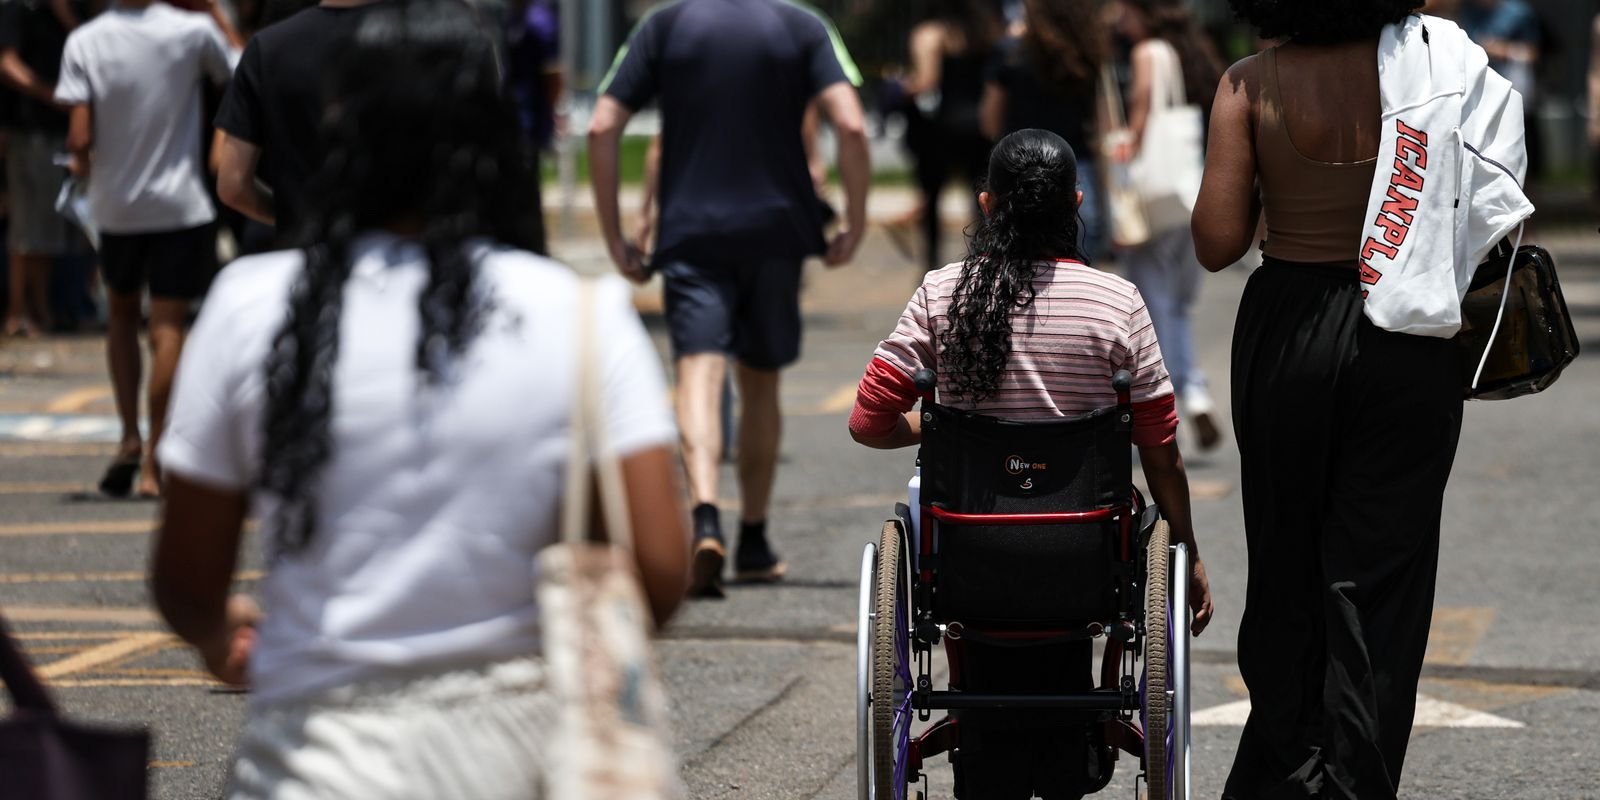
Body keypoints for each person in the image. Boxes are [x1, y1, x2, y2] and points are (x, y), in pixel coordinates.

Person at [151, 1, 688, 795]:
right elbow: (661, 571)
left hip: (314, 761)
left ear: (341, 136)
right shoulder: (582, 316)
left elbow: (186, 582)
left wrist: (219, 633)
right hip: (518, 757)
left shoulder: (249, 305)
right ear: (490, 140)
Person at [1191, 1, 1527, 796]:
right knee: (1382, 576)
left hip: (1288, 333)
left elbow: (1216, 242)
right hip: (1408, 337)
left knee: (1286, 560)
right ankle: (1355, 779)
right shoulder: (1433, 72)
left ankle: (1286, 765)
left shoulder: (1248, 85)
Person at [850, 129, 1212, 799]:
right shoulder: (1118, 303)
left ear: (987, 205)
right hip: (1085, 563)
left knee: (926, 494)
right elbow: (1160, 448)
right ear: (1076, 203)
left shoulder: (941, 295)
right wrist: (1187, 555)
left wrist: (936, 427)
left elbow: (868, 422)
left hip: (967, 559)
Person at [589, 0, 869, 597]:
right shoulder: (802, 25)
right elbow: (850, 123)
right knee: (761, 381)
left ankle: (706, 517)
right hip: (777, 230)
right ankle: (756, 540)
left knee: (699, 370)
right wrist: (856, 217)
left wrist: (615, 233)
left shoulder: (664, 26)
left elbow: (602, 125)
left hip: (691, 230)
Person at [55, 0, 241, 498]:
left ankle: (128, 437)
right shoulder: (192, 31)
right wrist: (215, 13)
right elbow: (242, 70)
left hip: (116, 207)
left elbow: (79, 136)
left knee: (120, 318)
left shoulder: (85, 41)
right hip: (180, 205)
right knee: (167, 327)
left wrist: (82, 164)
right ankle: (157, 458)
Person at [1108, 0, 1224, 452]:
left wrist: (1122, 162)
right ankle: (1194, 392)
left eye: (1125, 12)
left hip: (1152, 201)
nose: (1119, 22)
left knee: (1153, 309)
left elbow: (1140, 111)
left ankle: (1169, 403)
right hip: (1184, 195)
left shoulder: (1147, 51)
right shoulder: (1188, 52)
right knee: (1174, 306)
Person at [213, 0, 419, 247]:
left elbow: (232, 185)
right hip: (403, 250)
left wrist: (294, 218)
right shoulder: (421, 36)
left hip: (308, 252)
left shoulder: (267, 46)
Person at [980, 0, 1108, 261]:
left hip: (1017, 169)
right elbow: (1102, 124)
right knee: (1080, 259)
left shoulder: (1010, 52)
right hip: (1077, 169)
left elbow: (989, 121)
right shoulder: (1087, 54)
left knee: (1012, 259)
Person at [0, 0, 85, 336]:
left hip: (56, 131)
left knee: (48, 226)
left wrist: (65, 14)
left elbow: (87, 48)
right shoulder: (18, 8)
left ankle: (40, 308)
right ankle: (18, 311)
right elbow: (6, 63)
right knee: (26, 226)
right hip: (28, 129)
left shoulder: (65, 13)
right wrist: (49, 94)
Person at [897, 0, 1000, 272]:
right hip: (979, 127)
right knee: (981, 199)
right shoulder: (988, 31)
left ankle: (931, 263)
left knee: (931, 198)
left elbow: (926, 81)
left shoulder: (931, 34)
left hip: (941, 128)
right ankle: (983, 263)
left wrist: (899, 87)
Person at [1459, 0, 1541, 179]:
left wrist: (1502, 50)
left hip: (1510, 87)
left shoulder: (1519, 12)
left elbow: (1533, 53)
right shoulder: (1469, 11)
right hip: (1478, 91)